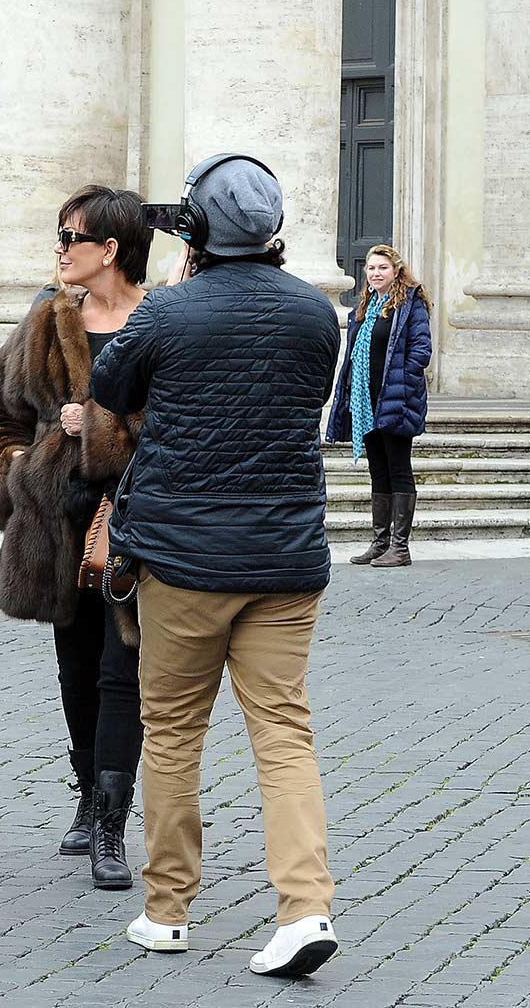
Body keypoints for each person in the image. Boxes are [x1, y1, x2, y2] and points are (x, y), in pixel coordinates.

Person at [91, 154, 342, 978]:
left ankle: (167, 911)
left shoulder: (169, 311)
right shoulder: (317, 314)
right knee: (283, 729)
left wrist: (173, 286)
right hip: (283, 558)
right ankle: (305, 908)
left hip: (184, 561)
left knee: (171, 732)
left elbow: (108, 382)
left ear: (195, 233)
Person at [0, 185, 150, 891]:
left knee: (120, 670)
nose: (59, 249)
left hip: (138, 529)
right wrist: (14, 471)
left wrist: (97, 430)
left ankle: (111, 824)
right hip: (59, 530)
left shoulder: (160, 323)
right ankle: (85, 793)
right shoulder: (49, 319)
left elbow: (181, 425)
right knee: (76, 672)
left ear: (110, 250)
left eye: (71, 237)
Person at [326, 245, 433, 568]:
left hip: (397, 397)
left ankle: (400, 547)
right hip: (366, 399)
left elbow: (421, 350)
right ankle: (380, 542)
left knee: (398, 468)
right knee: (379, 470)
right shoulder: (367, 304)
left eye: (382, 268)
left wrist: (405, 380)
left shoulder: (409, 303)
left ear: (396, 270)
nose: (375, 273)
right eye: (371, 268)